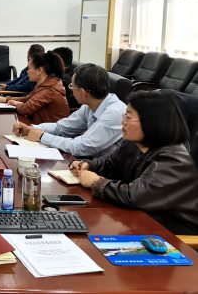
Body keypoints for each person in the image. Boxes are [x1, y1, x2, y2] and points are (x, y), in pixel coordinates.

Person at [70, 91, 198, 234]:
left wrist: (96, 182)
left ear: (151, 121)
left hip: (172, 234)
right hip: (139, 220)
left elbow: (135, 196)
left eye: (128, 117)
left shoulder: (173, 160)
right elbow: (110, 164)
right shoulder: (134, 144)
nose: (123, 121)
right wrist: (88, 164)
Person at [13, 63, 126, 159]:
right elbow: (61, 127)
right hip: (92, 162)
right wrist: (33, 128)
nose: (71, 90)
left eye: (72, 86)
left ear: (83, 92)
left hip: (109, 171)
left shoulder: (114, 113)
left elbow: (80, 147)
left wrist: (42, 136)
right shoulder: (89, 106)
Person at [0, 51, 69, 124]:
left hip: (50, 132)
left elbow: (26, 109)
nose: (27, 72)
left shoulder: (50, 89)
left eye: (29, 68)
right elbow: (27, 99)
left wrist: (17, 103)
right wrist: (3, 99)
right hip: (39, 126)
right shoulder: (43, 84)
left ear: (39, 70)